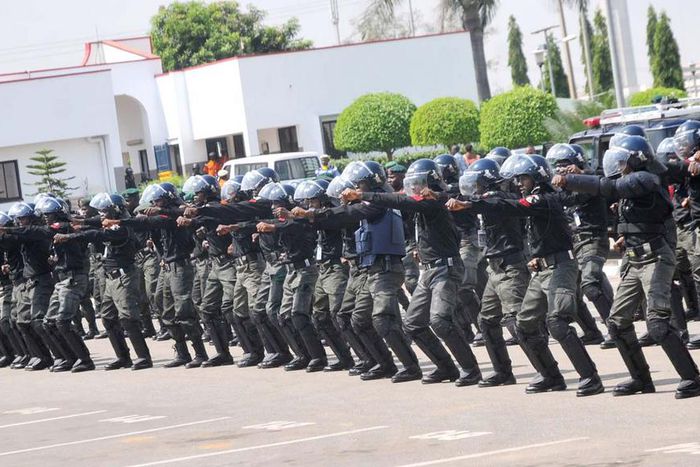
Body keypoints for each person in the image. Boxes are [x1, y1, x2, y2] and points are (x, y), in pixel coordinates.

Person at [556, 135, 700, 399]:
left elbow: (608, 187)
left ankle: (692, 378)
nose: (619, 166)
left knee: (657, 324)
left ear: (637, 159)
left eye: (623, 161)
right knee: (617, 323)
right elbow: (614, 190)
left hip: (655, 258)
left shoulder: (646, 178)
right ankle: (641, 379)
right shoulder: (632, 180)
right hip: (635, 259)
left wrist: (571, 180)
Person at [452, 154, 604, 397]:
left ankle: (590, 377)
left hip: (561, 267)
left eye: (523, 178)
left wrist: (471, 204)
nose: (519, 184)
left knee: (557, 323)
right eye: (517, 179)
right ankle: (551, 376)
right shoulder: (532, 198)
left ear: (537, 177)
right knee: (524, 325)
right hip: (542, 269)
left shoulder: (545, 198)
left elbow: (508, 206)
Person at [357, 159, 482, 386]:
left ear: (431, 182)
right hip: (430, 270)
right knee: (413, 322)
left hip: (446, 268)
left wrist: (365, 196)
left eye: (419, 183)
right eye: (412, 184)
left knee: (440, 320)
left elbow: (401, 201)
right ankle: (446, 367)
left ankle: (470, 369)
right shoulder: (420, 207)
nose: (414, 188)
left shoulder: (434, 202)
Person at [311, 161, 423, 383]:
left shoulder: (379, 201)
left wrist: (313, 214)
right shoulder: (371, 200)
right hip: (371, 266)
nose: (356, 189)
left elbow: (353, 212)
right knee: (356, 319)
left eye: (361, 184)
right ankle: (382, 362)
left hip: (387, 267)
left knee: (382, 319)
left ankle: (410, 366)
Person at [106, 184, 208, 368]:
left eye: (158, 200)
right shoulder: (160, 216)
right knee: (162, 306)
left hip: (180, 267)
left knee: (184, 311)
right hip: (167, 267)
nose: (154, 204)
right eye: (153, 201)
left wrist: (122, 222)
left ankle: (200, 353)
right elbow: (145, 223)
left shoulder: (174, 215)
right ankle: (182, 352)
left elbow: (158, 219)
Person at [453, 158, 529, 387]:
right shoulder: (480, 201)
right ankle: (503, 372)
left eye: (477, 183)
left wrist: (469, 204)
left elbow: (492, 203)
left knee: (518, 323)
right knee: (486, 321)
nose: (473, 188)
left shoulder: (503, 198)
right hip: (493, 267)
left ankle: (548, 372)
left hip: (511, 266)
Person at [58, 193, 153, 370]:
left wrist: (72, 236)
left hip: (123, 276)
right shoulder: (109, 222)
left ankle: (143, 357)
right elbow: (95, 223)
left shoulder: (121, 227)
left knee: (128, 318)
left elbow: (97, 234)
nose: (101, 214)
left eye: (104, 210)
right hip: (110, 277)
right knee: (108, 318)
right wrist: (78, 223)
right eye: (100, 211)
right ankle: (123, 357)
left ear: (115, 210)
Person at [546, 143, 612, 348]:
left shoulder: (590, 178)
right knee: (573, 291)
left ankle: (617, 328)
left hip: (592, 237)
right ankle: (592, 332)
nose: (561, 169)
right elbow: (559, 200)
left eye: (565, 165)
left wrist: (577, 176)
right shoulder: (562, 186)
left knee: (591, 283)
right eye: (558, 166)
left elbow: (594, 185)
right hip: (574, 242)